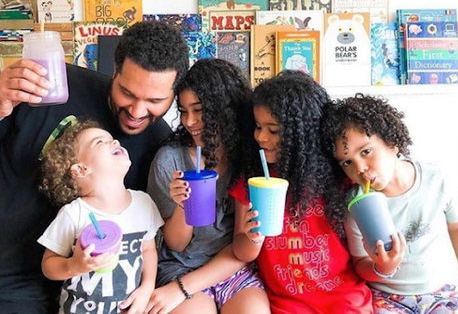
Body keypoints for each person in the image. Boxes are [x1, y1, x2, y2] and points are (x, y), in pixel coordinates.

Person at [0, 22, 189, 313]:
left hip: (86, 295)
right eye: (127, 92)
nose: (137, 112)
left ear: (173, 95)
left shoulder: (161, 145)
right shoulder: (51, 83)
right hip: (9, 275)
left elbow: (152, 241)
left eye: (155, 101)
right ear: (114, 70)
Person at [321, 94, 458, 314]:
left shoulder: (436, 180)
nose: (360, 168)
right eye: (347, 162)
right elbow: (360, 263)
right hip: (388, 298)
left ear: (392, 143)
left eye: (366, 152)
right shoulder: (355, 207)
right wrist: (381, 267)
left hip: (440, 293)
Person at [230, 71, 373, 314]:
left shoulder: (338, 179)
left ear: (303, 133)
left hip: (343, 298)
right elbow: (241, 251)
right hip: (286, 304)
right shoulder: (252, 181)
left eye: (273, 130)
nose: (261, 137)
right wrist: (253, 237)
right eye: (258, 127)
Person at [147, 59, 271, 314]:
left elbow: (241, 249)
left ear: (225, 108)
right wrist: (183, 206)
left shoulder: (248, 159)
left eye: (199, 110)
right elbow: (176, 245)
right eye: (183, 111)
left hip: (231, 267)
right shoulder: (170, 160)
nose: (190, 121)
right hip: (180, 266)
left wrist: (182, 288)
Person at [38, 119, 163, 313]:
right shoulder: (74, 214)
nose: (114, 142)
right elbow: (48, 265)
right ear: (80, 170)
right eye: (99, 142)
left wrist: (147, 287)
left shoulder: (144, 204)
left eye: (113, 139)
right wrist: (74, 265)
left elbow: (148, 250)